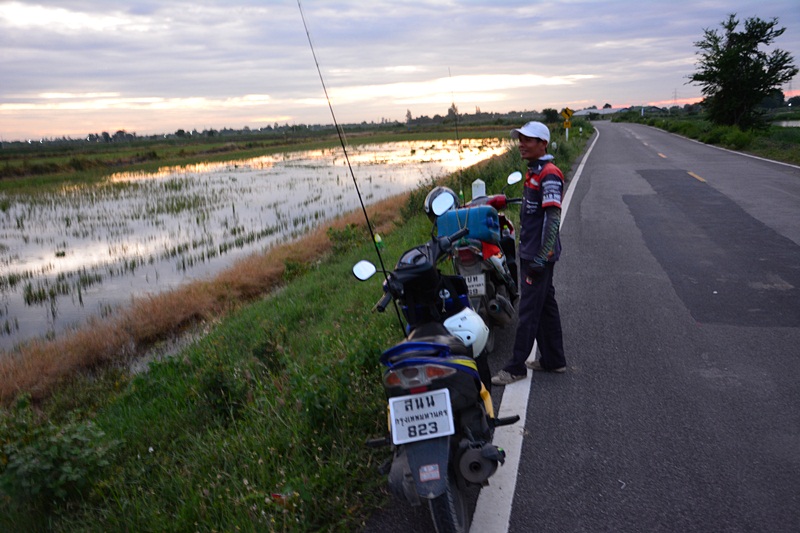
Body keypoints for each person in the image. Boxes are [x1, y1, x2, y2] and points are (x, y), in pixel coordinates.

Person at [491, 121, 566, 385]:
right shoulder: (533, 172)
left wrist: (540, 257)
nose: (521, 144)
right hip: (531, 251)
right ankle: (554, 360)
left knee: (528, 311)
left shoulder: (549, 174)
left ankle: (515, 368)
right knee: (546, 306)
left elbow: (553, 219)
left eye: (528, 140)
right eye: (520, 139)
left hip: (538, 256)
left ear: (543, 143)